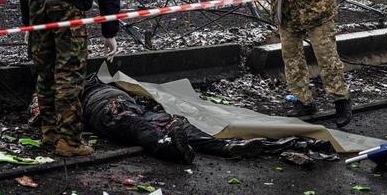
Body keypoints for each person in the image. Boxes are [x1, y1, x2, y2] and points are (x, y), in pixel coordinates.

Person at [19, 0, 120, 157]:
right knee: (69, 72)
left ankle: (49, 133)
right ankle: (70, 142)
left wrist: (28, 25)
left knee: (45, 71)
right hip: (67, 3)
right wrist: (109, 32)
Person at [81, 73, 267, 163]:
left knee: (175, 123)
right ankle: (171, 149)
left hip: (133, 105)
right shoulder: (68, 86)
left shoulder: (96, 78)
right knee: (137, 125)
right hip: (104, 109)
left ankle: (227, 148)